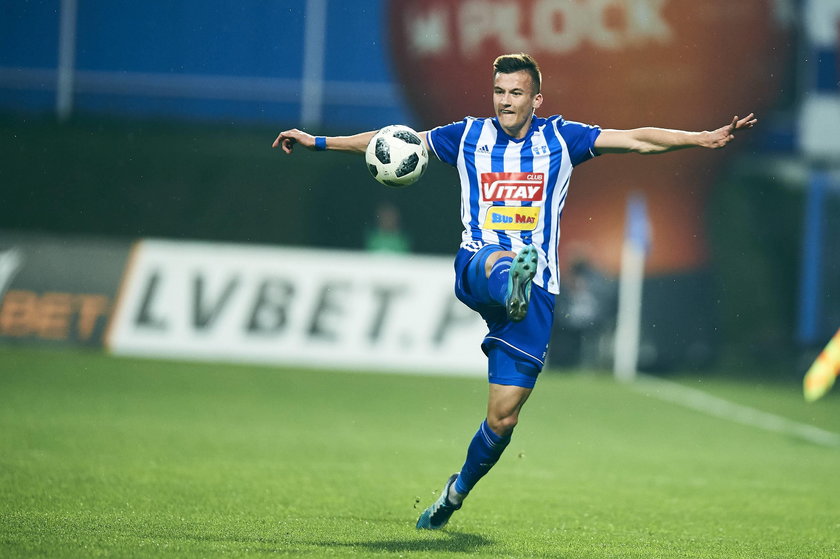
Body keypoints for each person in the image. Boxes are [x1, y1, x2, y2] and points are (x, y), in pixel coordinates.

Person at [272, 53, 756, 530]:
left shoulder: (562, 138)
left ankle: (454, 493)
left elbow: (636, 139)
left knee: (503, 420)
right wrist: (317, 141)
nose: (505, 101)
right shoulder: (466, 135)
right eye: (499, 92)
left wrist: (700, 138)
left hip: (538, 292)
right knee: (499, 260)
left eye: (516, 93)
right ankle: (510, 279)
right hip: (481, 265)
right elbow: (388, 143)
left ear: (536, 99)